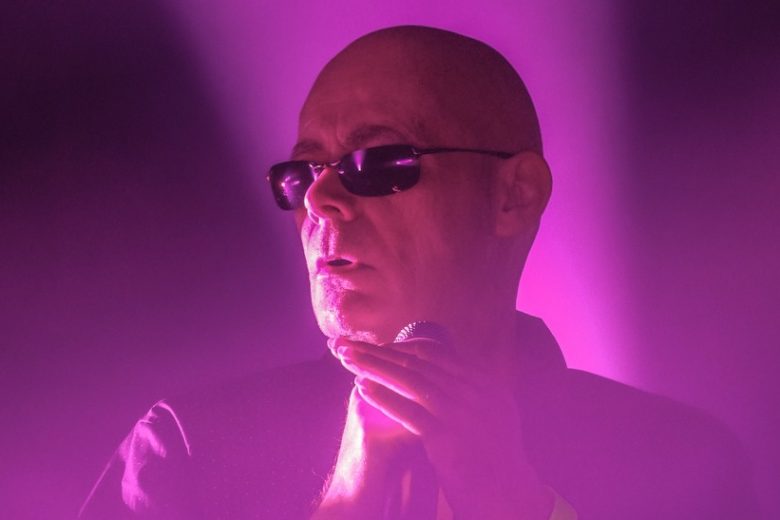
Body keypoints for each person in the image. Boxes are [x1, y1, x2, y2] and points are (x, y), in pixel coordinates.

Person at [79, 26, 757, 519]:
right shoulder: (189, 448)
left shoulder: (679, 462)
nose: (320, 199)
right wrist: (344, 502)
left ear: (514, 195)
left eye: (378, 162)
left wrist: (513, 506)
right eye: (300, 174)